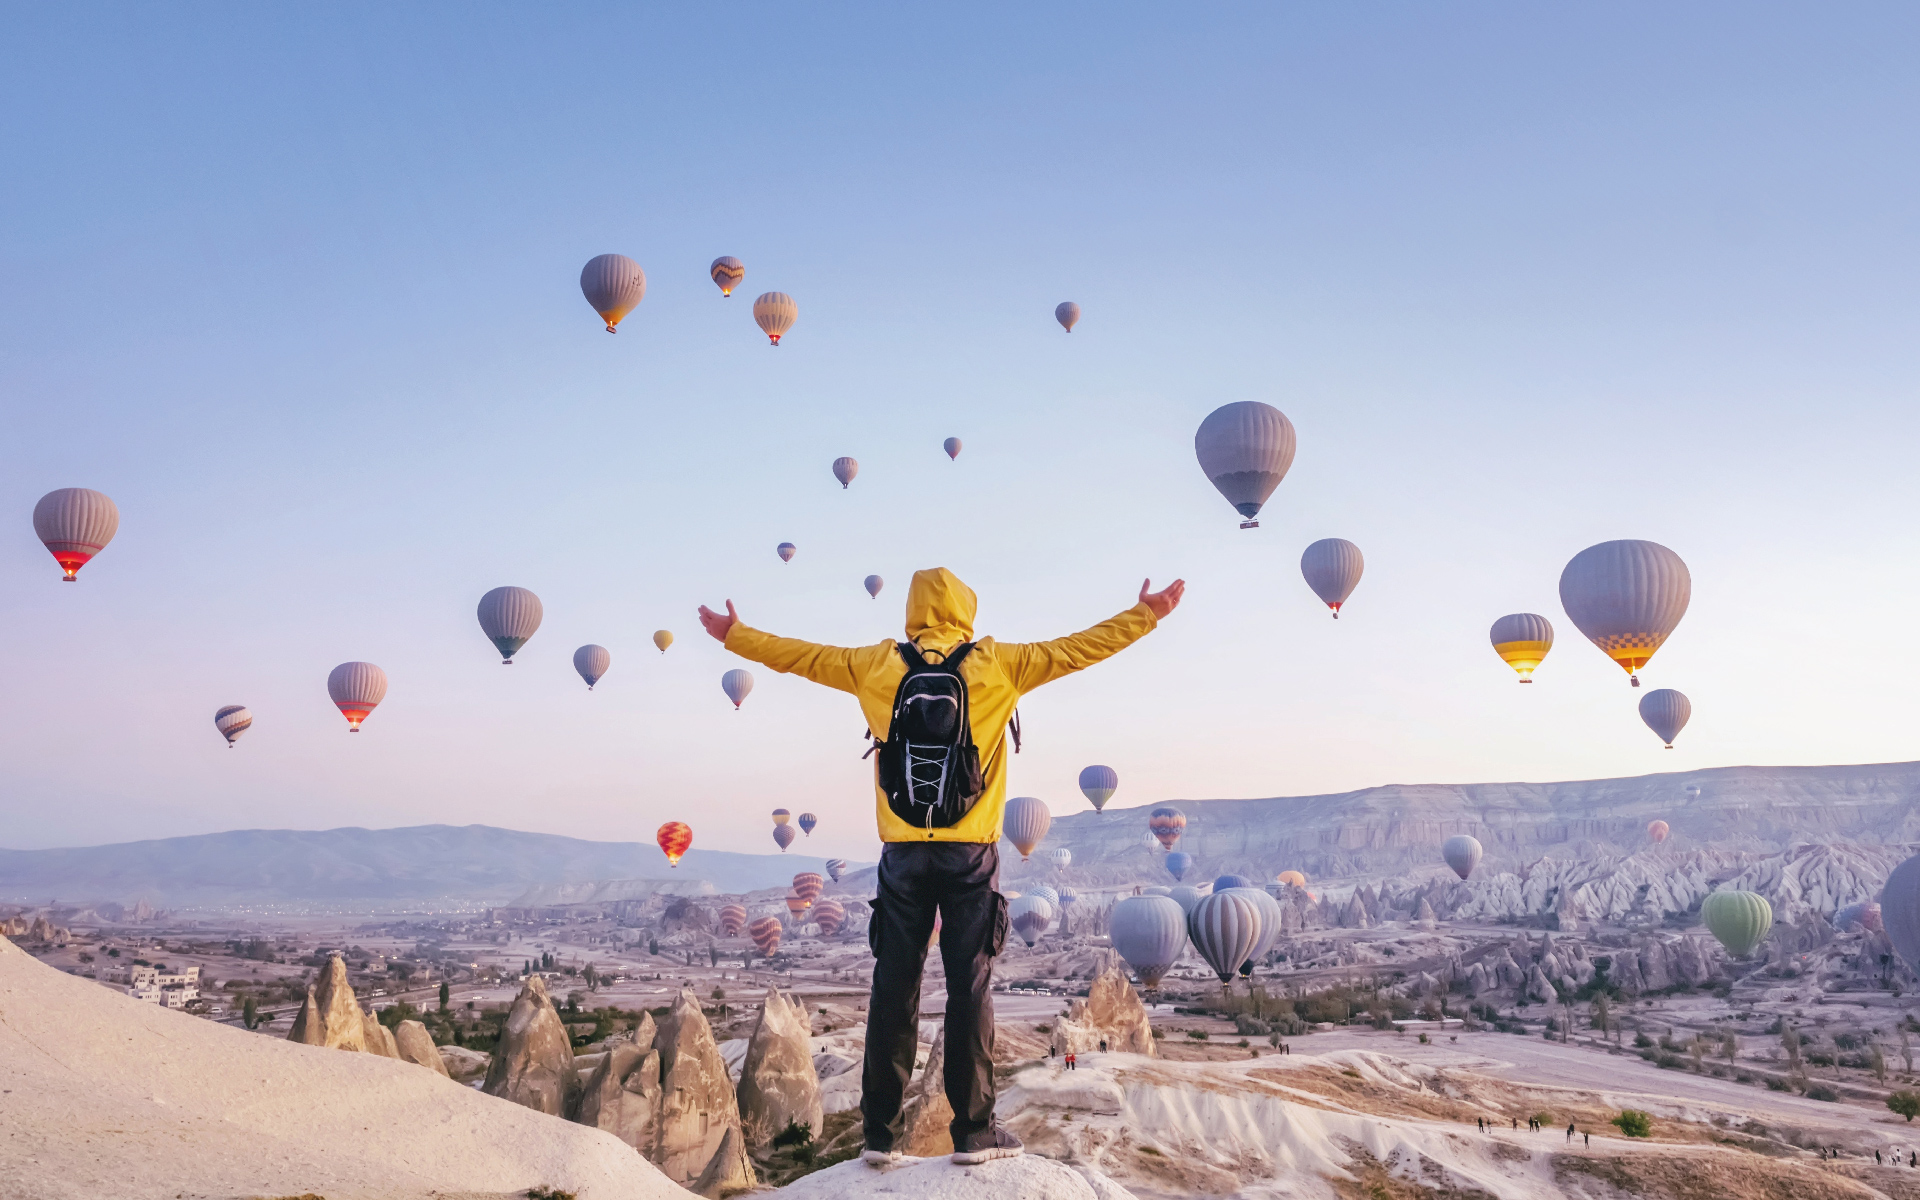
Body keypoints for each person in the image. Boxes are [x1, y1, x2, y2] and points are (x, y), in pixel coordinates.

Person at [700, 568, 1182, 1167]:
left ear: (911, 610)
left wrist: (734, 635)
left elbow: (801, 656)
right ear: (966, 610)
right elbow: (1078, 649)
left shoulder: (876, 664)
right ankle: (975, 1135)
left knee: (893, 990)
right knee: (968, 990)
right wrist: (1146, 614)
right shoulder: (1000, 662)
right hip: (970, 857)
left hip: (902, 856)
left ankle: (878, 1135)